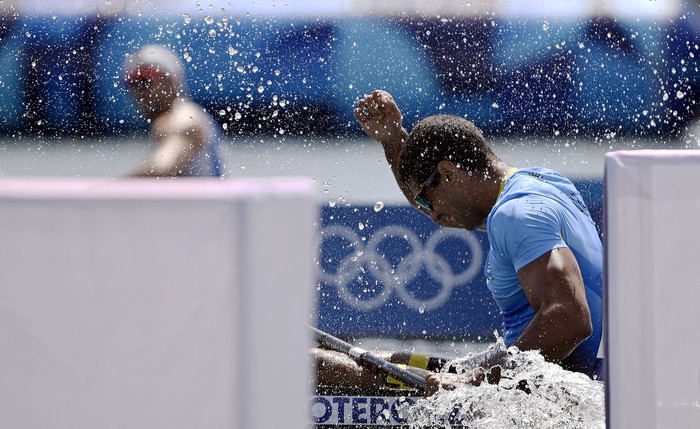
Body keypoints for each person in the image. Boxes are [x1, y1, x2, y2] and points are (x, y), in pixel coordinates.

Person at [314, 89, 603, 396]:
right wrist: (393, 139)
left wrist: (473, 382)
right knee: (385, 361)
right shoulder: (543, 185)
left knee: (314, 366)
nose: (432, 214)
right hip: (526, 378)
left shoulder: (517, 215)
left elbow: (570, 319)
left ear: (448, 173)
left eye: (427, 197)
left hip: (534, 396)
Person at [123, 44, 223, 177]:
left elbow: (163, 168)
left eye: (145, 81)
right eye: (132, 83)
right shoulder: (189, 114)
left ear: (171, 81)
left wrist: (105, 191)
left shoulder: (184, 118)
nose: (139, 91)